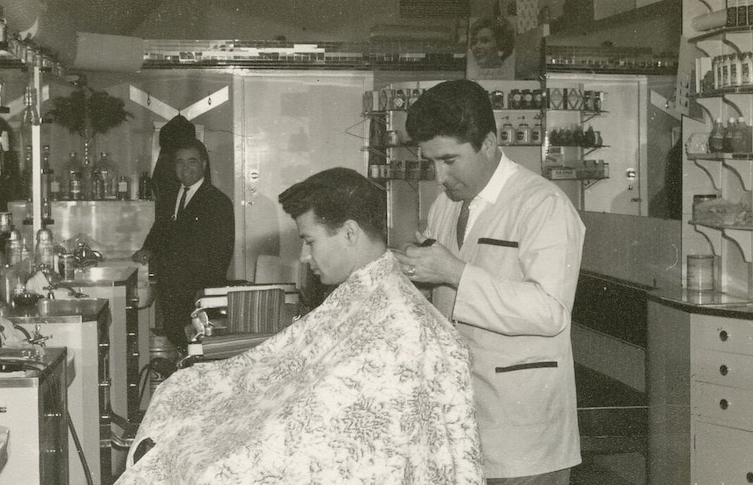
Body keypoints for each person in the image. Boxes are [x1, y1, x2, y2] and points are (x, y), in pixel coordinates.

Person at [115, 167, 483, 484]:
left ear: (350, 233)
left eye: (309, 241)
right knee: (181, 400)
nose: (305, 257)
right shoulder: (363, 291)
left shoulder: (398, 326)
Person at [396, 79, 585, 484]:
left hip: (524, 428)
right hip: (461, 417)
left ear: (488, 143)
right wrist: (417, 274)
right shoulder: (445, 206)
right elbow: (446, 303)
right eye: (430, 161)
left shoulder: (543, 205)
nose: (439, 175)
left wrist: (453, 273)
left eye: (449, 160)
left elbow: (550, 312)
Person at [132, 137, 234, 352]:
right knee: (177, 341)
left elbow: (220, 256)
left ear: (204, 165)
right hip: (170, 291)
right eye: (180, 161)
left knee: (196, 349)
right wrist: (148, 248)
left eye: (192, 161)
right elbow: (160, 230)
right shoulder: (169, 197)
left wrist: (200, 299)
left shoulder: (218, 202)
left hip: (196, 295)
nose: (185, 167)